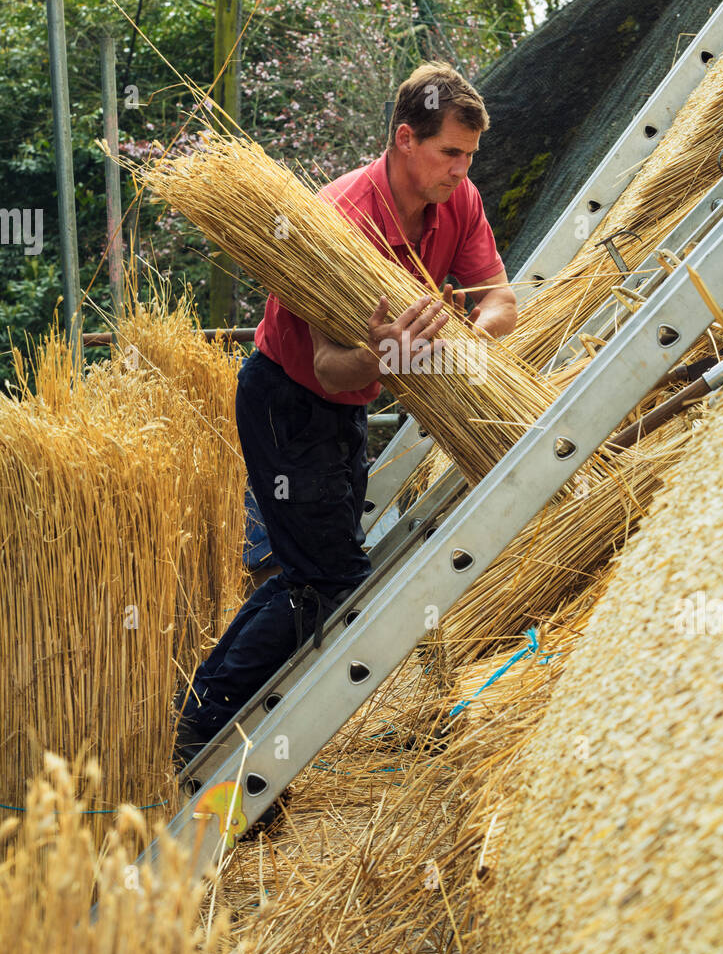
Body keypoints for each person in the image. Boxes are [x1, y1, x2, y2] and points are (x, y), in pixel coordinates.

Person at [174, 62, 517, 765]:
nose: (462, 169)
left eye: (469, 156)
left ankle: (226, 735)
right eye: (450, 153)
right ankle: (206, 732)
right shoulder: (337, 223)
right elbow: (331, 365)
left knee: (313, 574)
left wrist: (458, 345)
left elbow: (501, 301)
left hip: (344, 412)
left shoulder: (463, 202)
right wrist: (387, 359)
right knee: (326, 580)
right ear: (403, 138)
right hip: (288, 402)